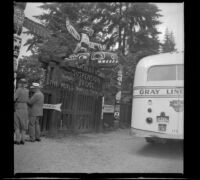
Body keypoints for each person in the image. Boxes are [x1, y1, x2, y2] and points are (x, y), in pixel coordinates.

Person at [14, 78, 29, 145]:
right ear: (25, 84)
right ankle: (23, 140)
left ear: (20, 83)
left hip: (19, 107)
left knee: (17, 125)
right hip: (25, 107)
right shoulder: (27, 90)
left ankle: (17, 140)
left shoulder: (18, 90)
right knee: (24, 125)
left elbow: (14, 98)